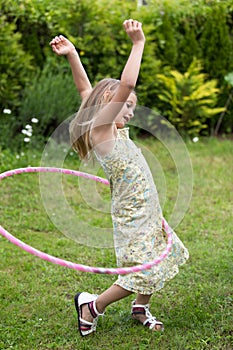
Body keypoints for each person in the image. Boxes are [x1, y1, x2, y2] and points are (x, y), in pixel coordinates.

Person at [50, 19, 189, 336]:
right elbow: (123, 85)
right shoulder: (100, 131)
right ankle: (91, 305)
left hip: (148, 207)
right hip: (132, 213)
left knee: (153, 258)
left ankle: (140, 307)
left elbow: (85, 88)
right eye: (126, 105)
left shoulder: (110, 128)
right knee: (139, 271)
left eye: (131, 107)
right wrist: (138, 44)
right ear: (108, 104)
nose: (129, 111)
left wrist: (73, 54)